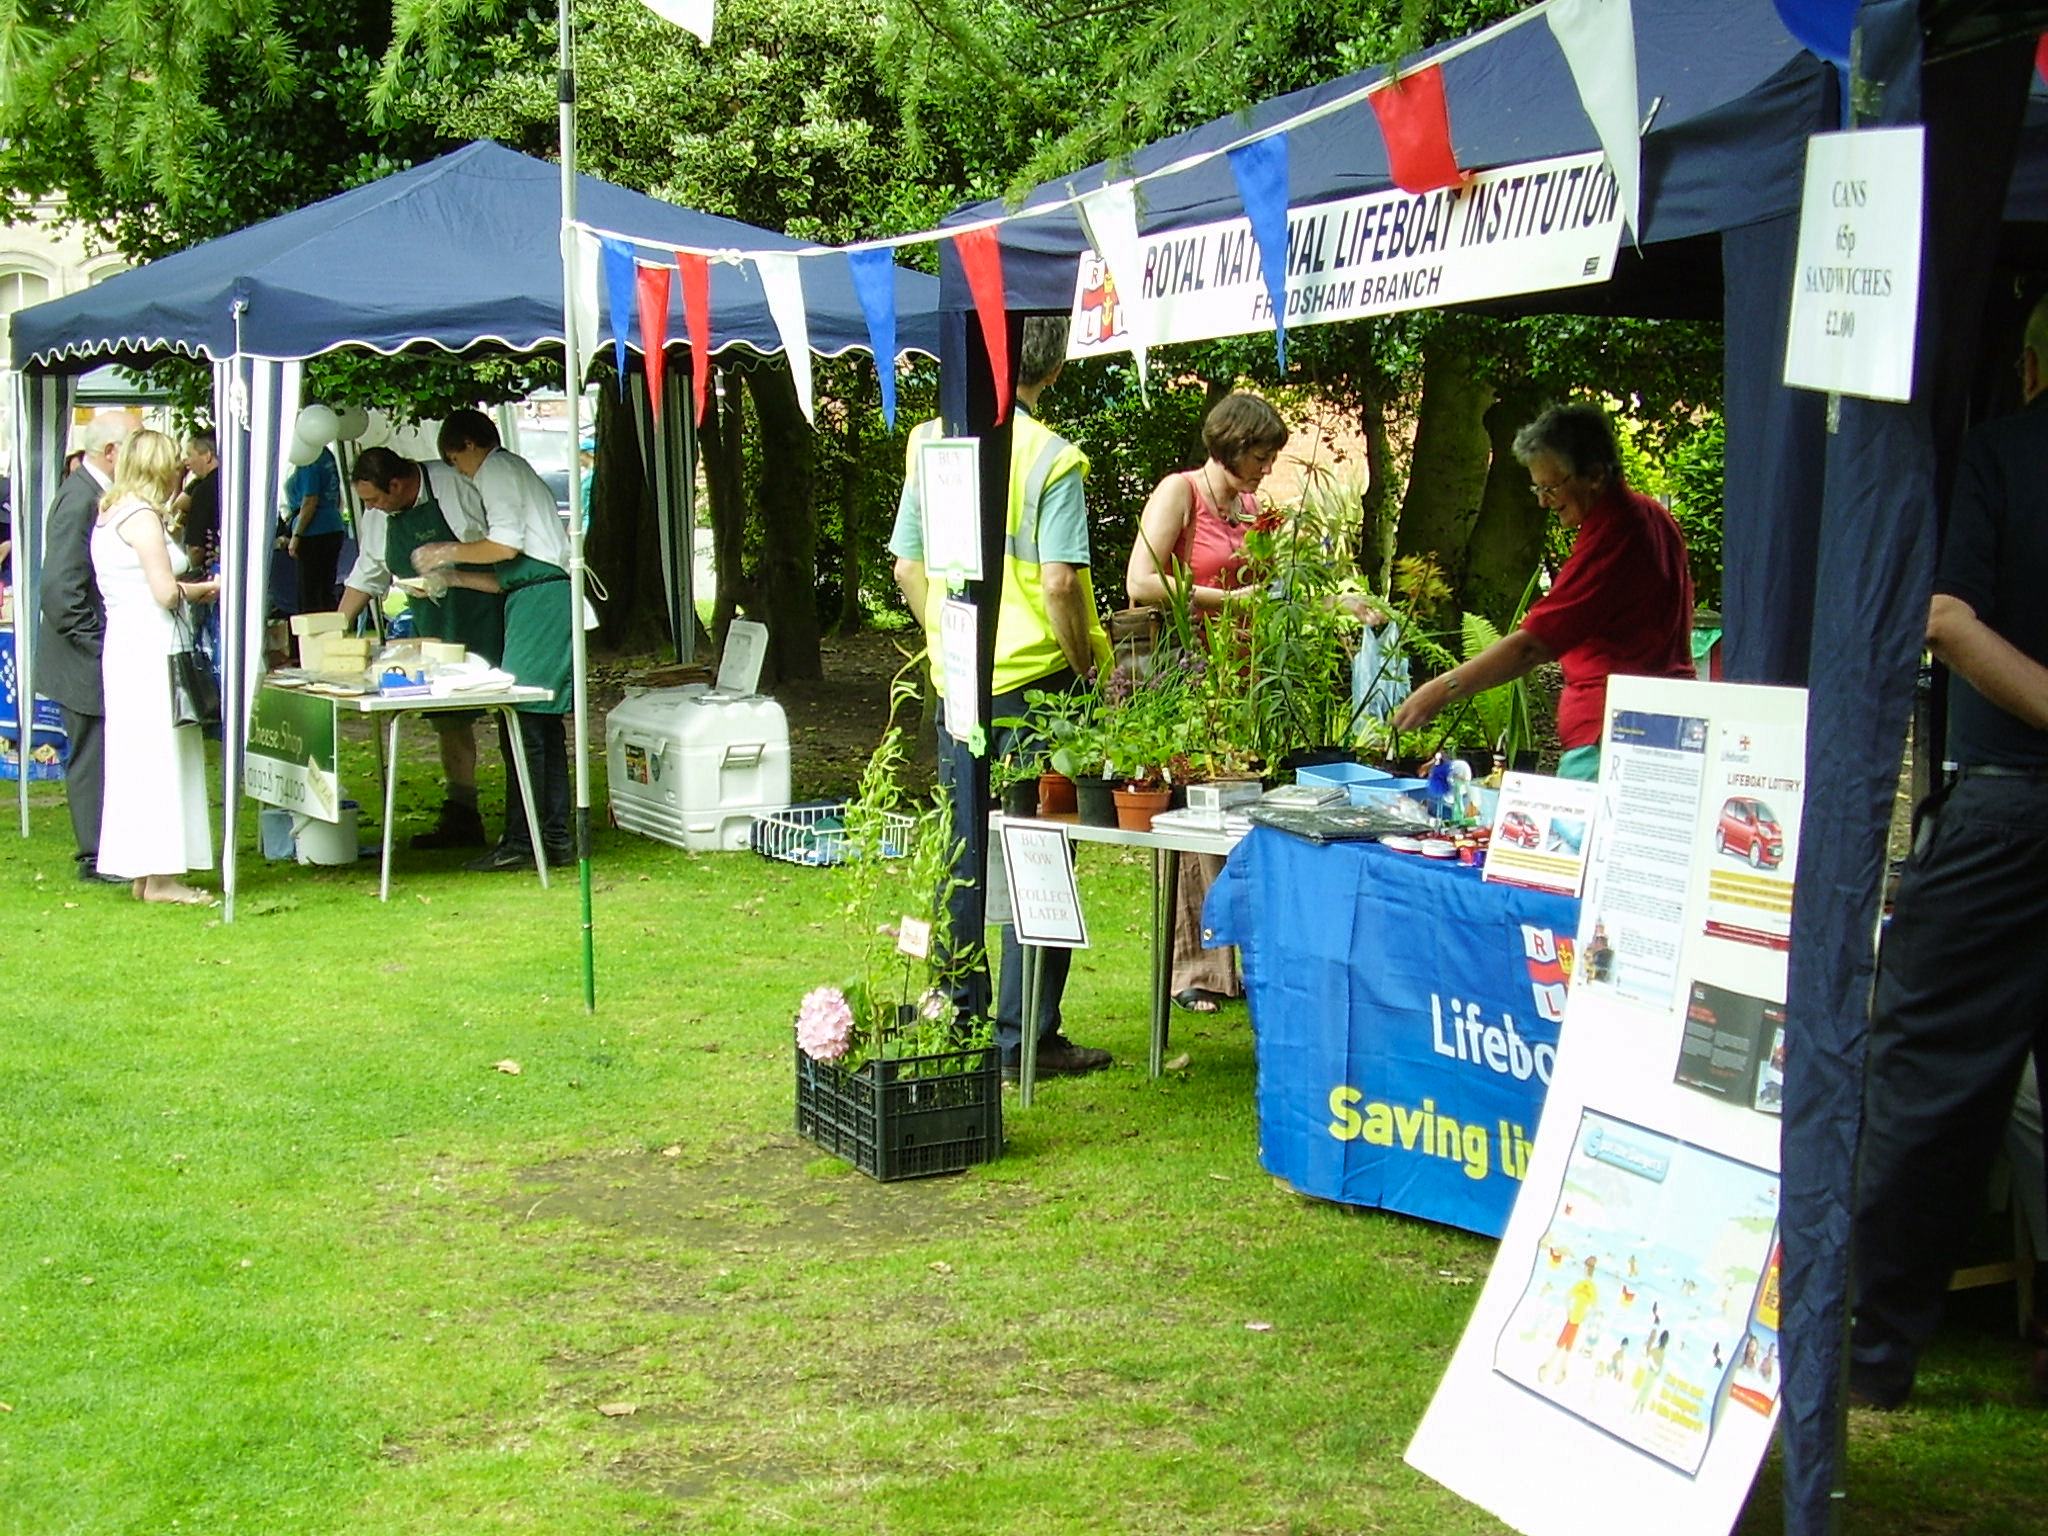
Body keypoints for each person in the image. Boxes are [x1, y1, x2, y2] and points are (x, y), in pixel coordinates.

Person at [1850, 297, 2048, 1410]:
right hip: (2005, 803)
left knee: (1922, 1079)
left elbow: (1943, 617)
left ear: (2024, 366)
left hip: (2008, 806)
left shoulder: (2003, 452)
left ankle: (1872, 1349)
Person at [890, 316, 1114, 1079]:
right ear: (1052, 367)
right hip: (1039, 688)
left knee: (963, 849)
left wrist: (951, 650)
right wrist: (1084, 663)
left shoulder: (932, 439)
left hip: (962, 680)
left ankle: (957, 1009)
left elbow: (907, 570)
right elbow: (1058, 582)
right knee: (1039, 853)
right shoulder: (1054, 459)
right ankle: (1028, 1037)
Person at [1392, 402, 1693, 780]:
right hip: (1663, 722)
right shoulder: (1653, 516)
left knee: (1579, 839)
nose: (1542, 501)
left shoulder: (1615, 535)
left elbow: (1532, 646)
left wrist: (1442, 688)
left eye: (1551, 487)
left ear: (1595, 474)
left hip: (1613, 734)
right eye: (1537, 488)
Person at [1125, 391, 1284, 1013]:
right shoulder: (1180, 492)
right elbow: (1140, 579)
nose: (1267, 469)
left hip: (1240, 680)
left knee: (1232, 817)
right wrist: (1228, 604)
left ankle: (1226, 962)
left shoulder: (1248, 506)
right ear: (1233, 445)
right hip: (1184, 678)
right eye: (1261, 456)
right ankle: (1195, 971)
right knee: (1197, 820)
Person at [414, 409, 573, 870]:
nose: (458, 470)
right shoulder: (511, 472)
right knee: (539, 723)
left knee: (524, 722)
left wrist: (445, 550)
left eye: (455, 460)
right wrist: (455, 576)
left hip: (542, 599)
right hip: (533, 594)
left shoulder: (497, 470)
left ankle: (525, 842)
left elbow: (504, 547)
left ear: (469, 446)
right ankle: (553, 838)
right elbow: (506, 577)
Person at [340, 446, 506, 850]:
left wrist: (451, 564)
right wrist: (336, 626)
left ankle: (526, 808)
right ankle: (462, 814)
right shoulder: (380, 515)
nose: (372, 508)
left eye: (375, 499)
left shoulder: (453, 486)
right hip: (434, 620)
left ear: (397, 484)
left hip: (489, 610)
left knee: (511, 710)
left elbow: (498, 546)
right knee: (449, 719)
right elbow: (369, 572)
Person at [90, 429, 218, 904]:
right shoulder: (142, 518)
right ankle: (162, 878)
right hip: (151, 646)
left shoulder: (109, 513)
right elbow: (164, 592)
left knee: (137, 758)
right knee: (161, 756)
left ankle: (147, 871)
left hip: (124, 646)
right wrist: (206, 588)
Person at [37, 411, 135, 883]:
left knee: (100, 749)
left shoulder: (91, 493)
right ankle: (95, 855)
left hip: (85, 646)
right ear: (111, 452)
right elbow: (60, 587)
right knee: (91, 752)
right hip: (81, 653)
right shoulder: (81, 498)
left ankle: (106, 849)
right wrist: (97, 645)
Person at [284, 442, 346, 616]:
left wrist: (296, 535)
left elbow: (310, 500)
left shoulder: (308, 459)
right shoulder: (326, 454)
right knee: (326, 592)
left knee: (310, 596)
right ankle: (331, 636)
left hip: (314, 531)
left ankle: (312, 640)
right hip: (333, 525)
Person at [172, 433, 220, 572]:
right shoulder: (229, 481)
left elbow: (196, 547)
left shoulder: (204, 490)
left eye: (189, 455)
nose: (186, 462)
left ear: (207, 456)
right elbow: (178, 507)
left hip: (211, 570)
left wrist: (195, 570)